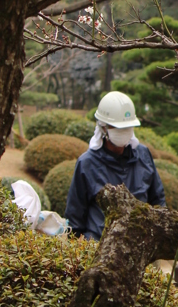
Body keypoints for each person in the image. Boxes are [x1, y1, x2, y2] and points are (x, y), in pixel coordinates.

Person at [65, 91, 165, 240]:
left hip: (139, 248)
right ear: (103, 127)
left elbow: (158, 201)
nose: (123, 132)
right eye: (117, 127)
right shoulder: (87, 164)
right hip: (100, 249)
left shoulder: (143, 155)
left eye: (127, 127)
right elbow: (75, 217)